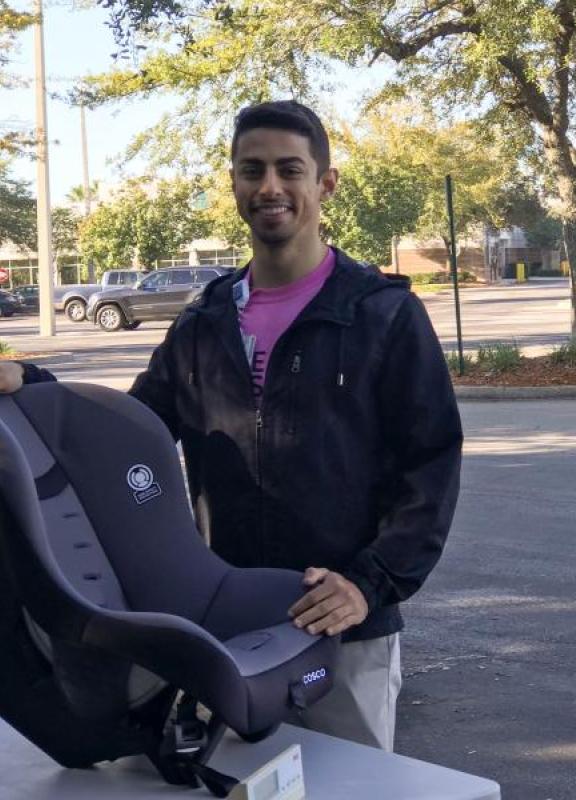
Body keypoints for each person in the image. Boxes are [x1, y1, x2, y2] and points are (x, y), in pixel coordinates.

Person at [0, 100, 463, 752]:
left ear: (325, 184)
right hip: (226, 629)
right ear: (235, 184)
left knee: (352, 787)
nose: (270, 187)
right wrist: (34, 387)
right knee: (244, 786)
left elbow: (431, 462)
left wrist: (371, 582)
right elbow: (128, 436)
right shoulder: (203, 322)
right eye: (253, 170)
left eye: (289, 169)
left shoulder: (381, 315)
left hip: (341, 624)